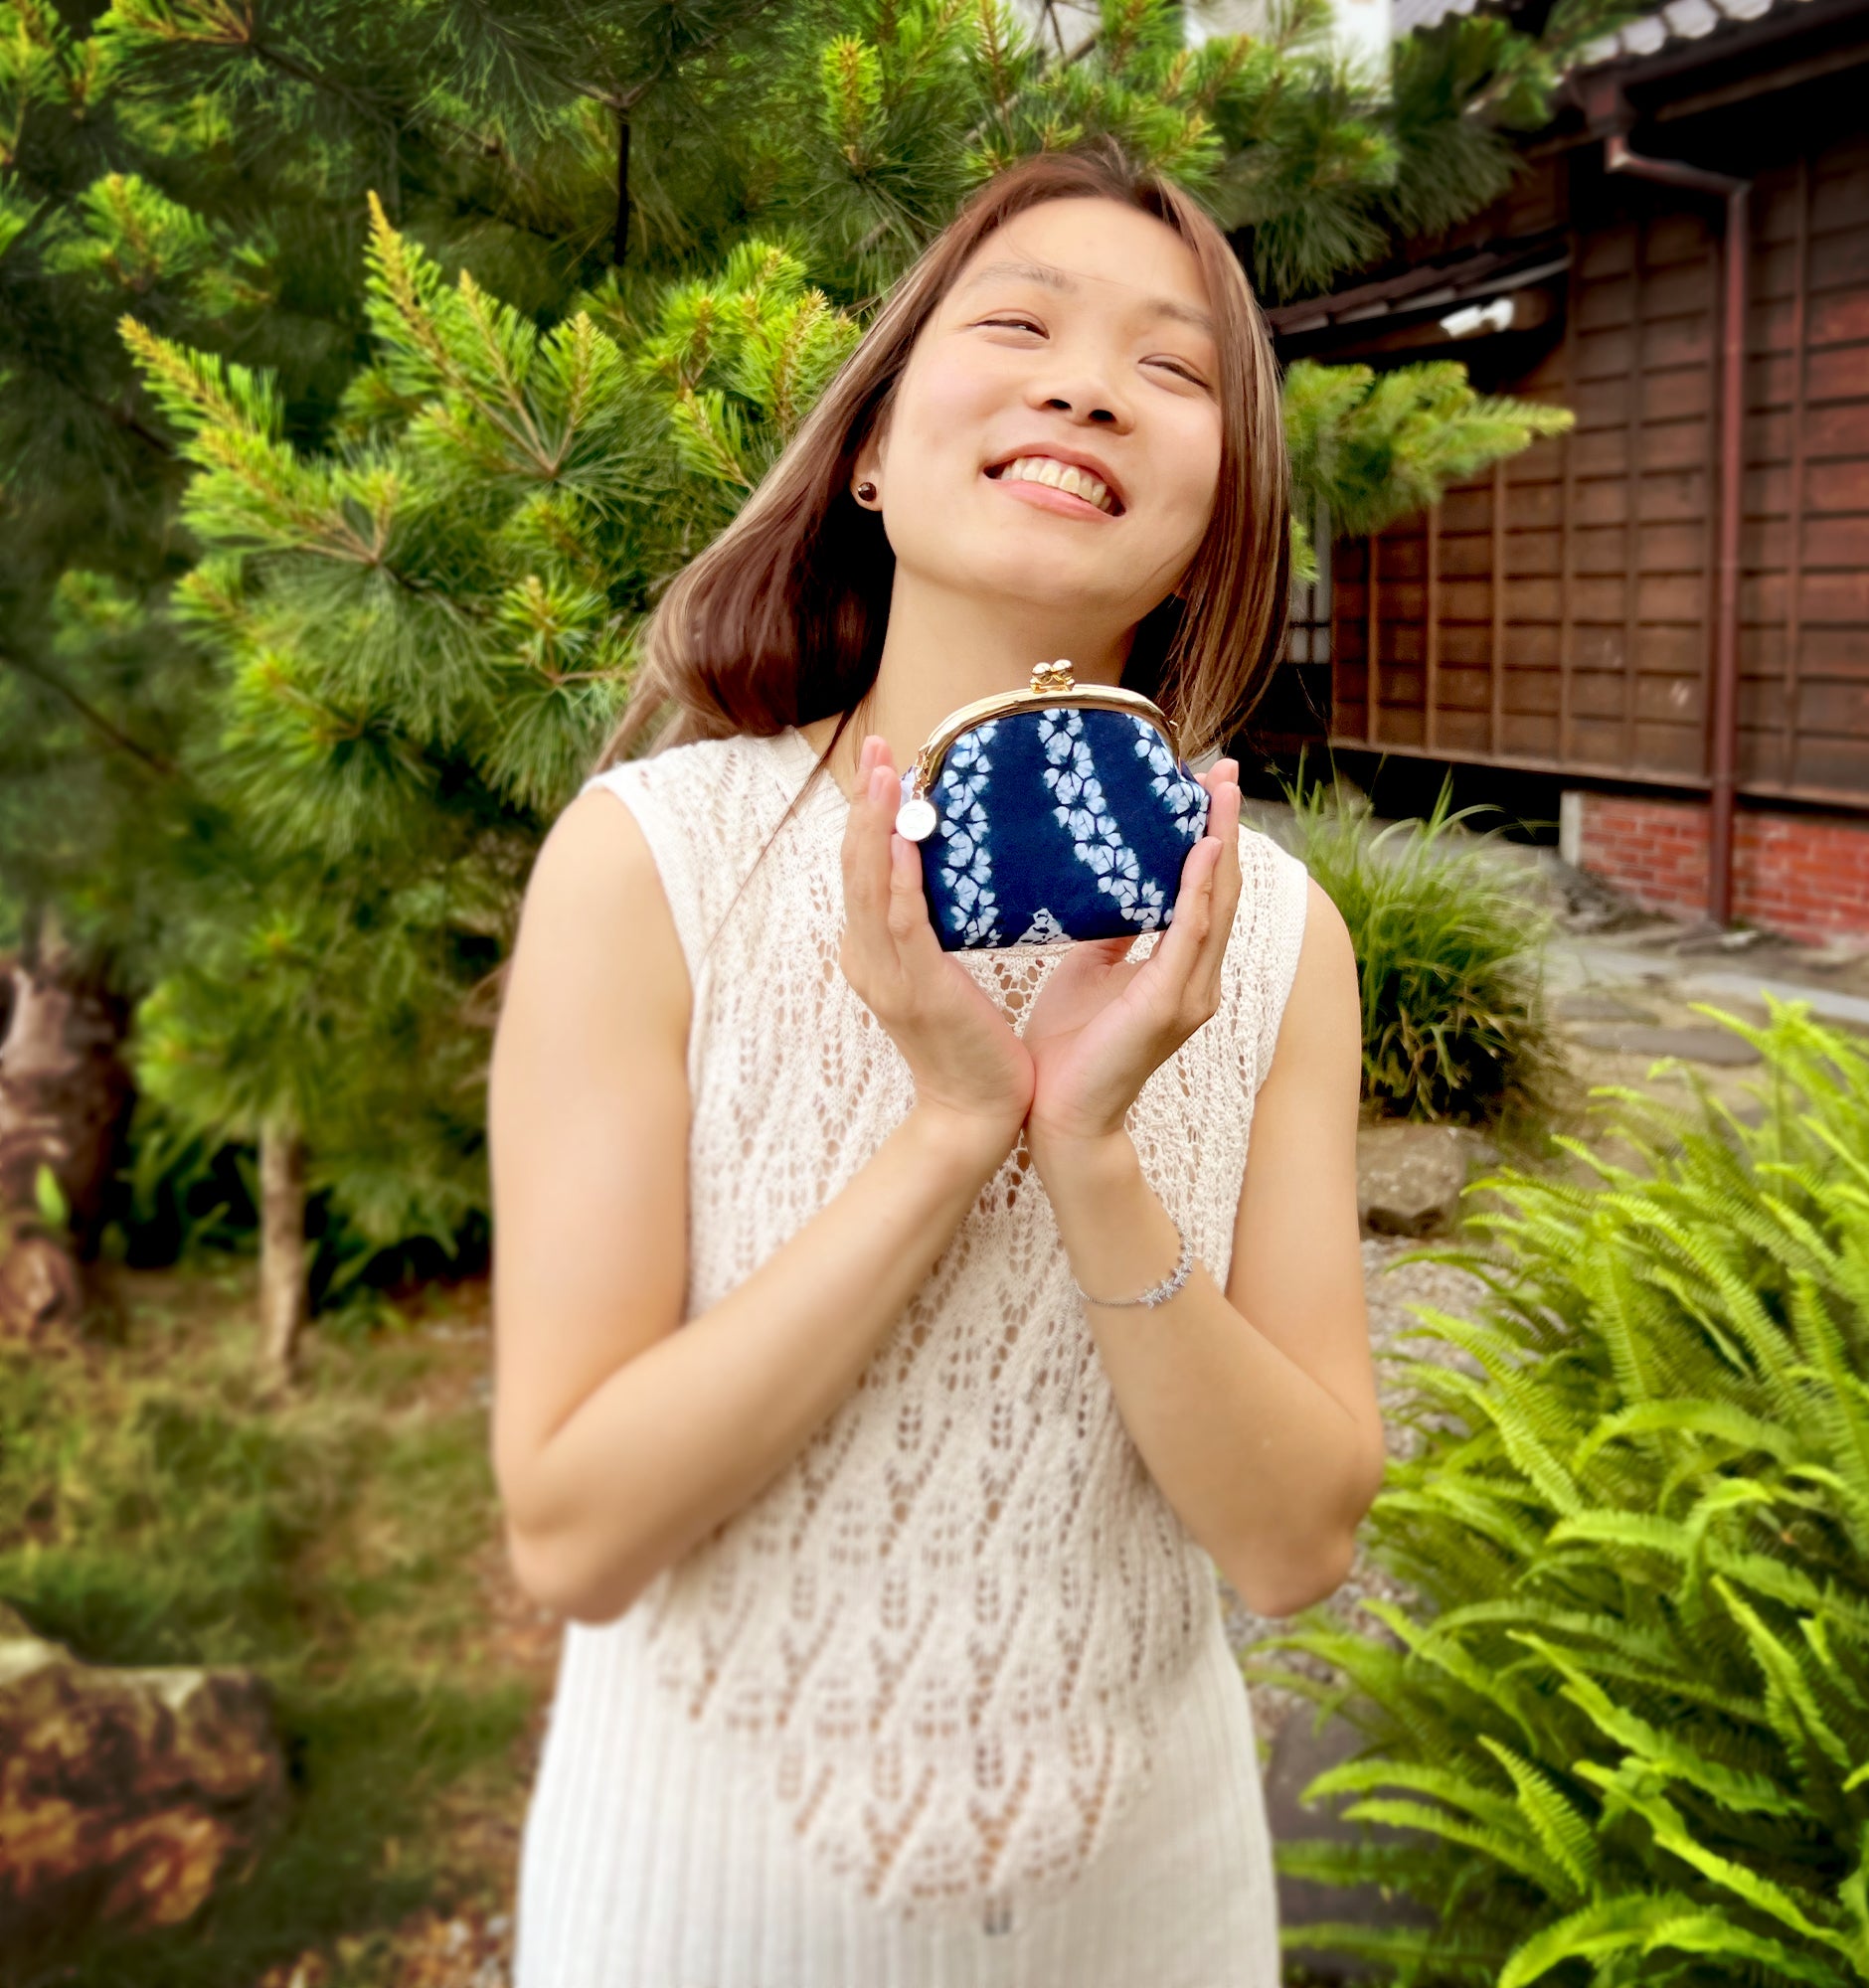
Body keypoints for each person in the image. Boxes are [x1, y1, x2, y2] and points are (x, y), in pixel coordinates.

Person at [488, 139, 1383, 1988]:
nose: (1085, 383)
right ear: (876, 451)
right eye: (1022, 324)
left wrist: (1092, 1148)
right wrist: (953, 1124)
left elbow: (1296, 1542)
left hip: (1156, 1908)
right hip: (698, 1908)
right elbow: (574, 1529)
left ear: (1223, 511)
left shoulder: (1278, 940)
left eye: (1173, 365)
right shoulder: (650, 865)